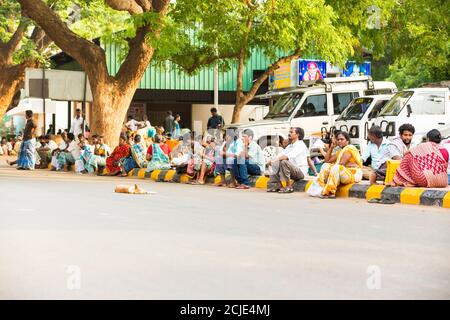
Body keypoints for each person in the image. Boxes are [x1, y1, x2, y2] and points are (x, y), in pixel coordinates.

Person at [267, 127, 317, 193]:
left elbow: (286, 157)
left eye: (291, 132)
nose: (289, 134)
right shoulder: (290, 146)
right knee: (276, 161)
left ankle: (289, 187)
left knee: (283, 162)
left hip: (300, 172)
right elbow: (280, 155)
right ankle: (277, 185)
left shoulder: (300, 145)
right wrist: (272, 160)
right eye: (289, 132)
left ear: (297, 135)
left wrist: (315, 172)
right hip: (291, 171)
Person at [316, 131, 363, 198]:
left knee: (337, 167)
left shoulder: (350, 148)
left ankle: (330, 192)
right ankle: (321, 188)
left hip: (353, 175)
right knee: (325, 165)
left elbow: (341, 163)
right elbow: (327, 160)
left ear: (347, 141)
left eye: (342, 139)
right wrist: (331, 147)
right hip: (343, 174)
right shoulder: (340, 151)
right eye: (338, 140)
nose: (339, 141)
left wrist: (331, 170)